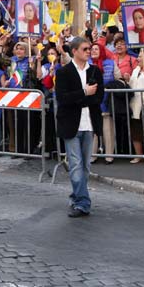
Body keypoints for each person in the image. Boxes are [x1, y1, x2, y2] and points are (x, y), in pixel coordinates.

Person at [54, 38, 104, 218]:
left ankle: (76, 197)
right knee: (75, 164)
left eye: (89, 49)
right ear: (74, 51)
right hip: (70, 123)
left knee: (85, 166)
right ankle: (83, 203)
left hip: (89, 123)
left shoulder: (95, 71)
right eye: (84, 49)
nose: (88, 51)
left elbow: (98, 97)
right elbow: (62, 98)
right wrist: (84, 94)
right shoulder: (64, 72)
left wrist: (81, 98)